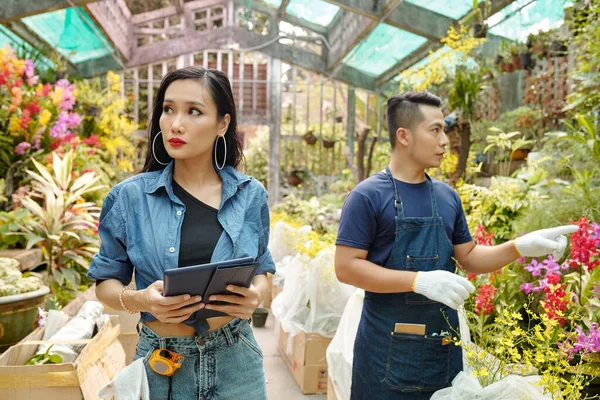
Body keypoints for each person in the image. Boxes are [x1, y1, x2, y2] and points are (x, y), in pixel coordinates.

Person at [334, 91, 577, 400]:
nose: (445, 140)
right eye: (435, 129)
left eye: (444, 129)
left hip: (442, 351)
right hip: (385, 355)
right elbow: (346, 267)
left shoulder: (447, 197)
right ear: (403, 136)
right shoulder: (367, 196)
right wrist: (417, 280)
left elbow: (470, 257)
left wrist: (518, 246)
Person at [88, 66, 275, 399]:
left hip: (236, 361)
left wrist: (256, 297)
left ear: (223, 124)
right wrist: (137, 300)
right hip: (161, 364)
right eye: (168, 109)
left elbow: (262, 271)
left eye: (194, 111)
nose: (176, 123)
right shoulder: (130, 197)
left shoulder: (250, 194)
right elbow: (105, 284)